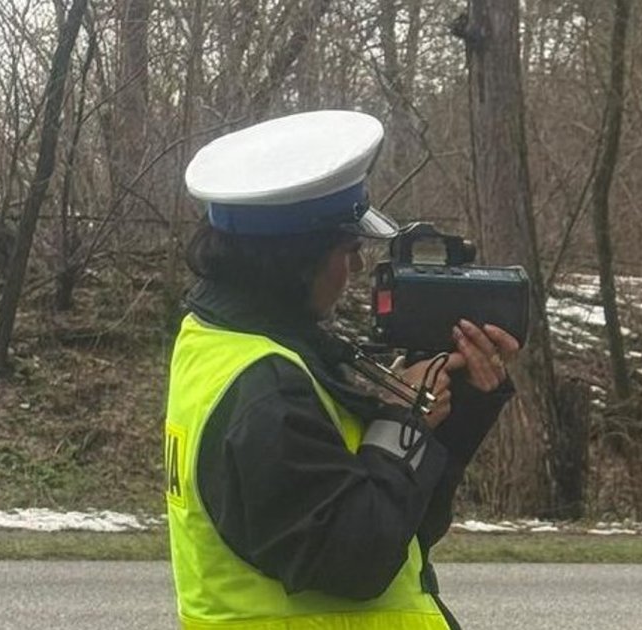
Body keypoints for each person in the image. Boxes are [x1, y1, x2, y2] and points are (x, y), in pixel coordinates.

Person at [164, 110, 519, 630]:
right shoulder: (264, 389)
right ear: (293, 258)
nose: (356, 270)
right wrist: (405, 421)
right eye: (348, 250)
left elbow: (400, 529)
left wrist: (453, 410)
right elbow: (356, 558)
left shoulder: (230, 345)